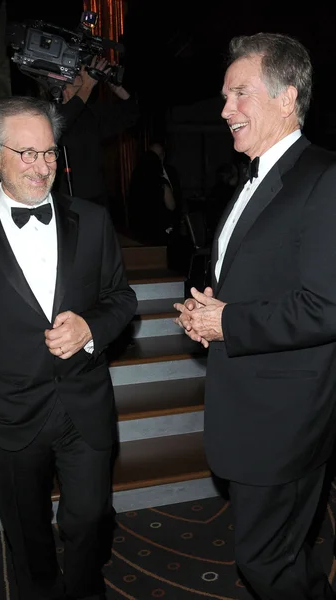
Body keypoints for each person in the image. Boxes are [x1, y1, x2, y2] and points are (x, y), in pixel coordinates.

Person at [0, 96, 137, 600]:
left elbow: (121, 298)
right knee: (27, 540)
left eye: (49, 153)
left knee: (91, 518)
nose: (41, 166)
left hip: (84, 405)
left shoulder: (92, 220)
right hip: (6, 414)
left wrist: (90, 328)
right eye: (26, 153)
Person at [174, 32, 336, 600]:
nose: (224, 111)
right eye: (225, 97)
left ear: (286, 97)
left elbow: (328, 304)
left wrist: (228, 323)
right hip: (249, 409)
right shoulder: (256, 178)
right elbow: (254, 282)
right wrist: (205, 311)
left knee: (265, 561)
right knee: (280, 555)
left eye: (239, 94)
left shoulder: (324, 177)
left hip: (285, 421)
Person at [53, 56, 140, 208]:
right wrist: (87, 86)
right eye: (79, 74)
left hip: (96, 200)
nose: (85, 76)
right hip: (66, 202)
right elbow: (61, 125)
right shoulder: (52, 112)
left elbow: (132, 116)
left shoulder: (91, 113)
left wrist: (117, 88)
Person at [128, 140, 182, 245]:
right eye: (155, 156)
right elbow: (171, 205)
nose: (159, 158)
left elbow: (177, 199)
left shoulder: (170, 172)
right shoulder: (155, 181)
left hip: (163, 230)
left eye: (160, 155)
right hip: (155, 232)